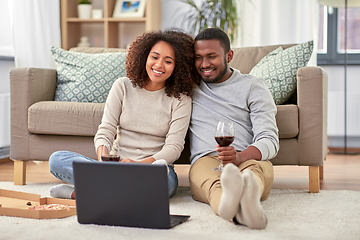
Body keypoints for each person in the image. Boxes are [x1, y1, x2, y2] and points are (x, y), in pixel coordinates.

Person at [49, 29, 200, 199]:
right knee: (57, 159)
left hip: (153, 168)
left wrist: (139, 165)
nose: (159, 65)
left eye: (168, 61)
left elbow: (174, 147)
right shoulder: (122, 86)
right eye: (155, 57)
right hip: (116, 166)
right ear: (144, 57)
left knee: (167, 186)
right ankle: (120, 189)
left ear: (178, 66)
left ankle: (84, 193)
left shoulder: (181, 99)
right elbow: (106, 130)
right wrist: (103, 158)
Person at [189, 28, 279, 229]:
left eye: (211, 56)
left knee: (252, 174)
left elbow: (270, 139)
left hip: (246, 157)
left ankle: (244, 200)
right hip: (206, 159)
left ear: (229, 55)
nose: (204, 65)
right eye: (198, 58)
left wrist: (239, 157)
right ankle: (243, 213)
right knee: (214, 185)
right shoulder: (189, 87)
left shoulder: (253, 86)